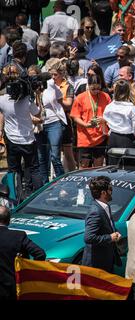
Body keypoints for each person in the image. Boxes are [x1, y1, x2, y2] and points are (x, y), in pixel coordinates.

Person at [0, 64, 43, 196]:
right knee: (34, 169)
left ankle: (15, 197)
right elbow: (37, 113)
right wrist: (37, 95)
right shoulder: (27, 100)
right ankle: (36, 196)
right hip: (28, 140)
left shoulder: (2, 100)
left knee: (14, 170)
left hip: (12, 141)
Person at [0, 206, 46, 300]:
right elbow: (40, 254)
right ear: (9, 221)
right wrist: (29, 270)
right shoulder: (18, 236)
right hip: (13, 287)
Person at [82, 176, 122, 273]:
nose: (112, 191)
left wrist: (115, 232)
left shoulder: (105, 206)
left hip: (106, 261)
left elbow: (108, 226)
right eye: (110, 189)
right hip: (96, 265)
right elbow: (88, 238)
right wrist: (110, 237)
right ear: (103, 192)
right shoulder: (95, 211)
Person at [70, 74, 110, 168]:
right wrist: (85, 125)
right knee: (84, 165)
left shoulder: (106, 96)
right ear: (88, 85)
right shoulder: (81, 97)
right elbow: (75, 116)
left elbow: (111, 115)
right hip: (85, 137)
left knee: (98, 165)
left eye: (98, 88)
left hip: (101, 136)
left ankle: (97, 183)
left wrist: (104, 120)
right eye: (93, 89)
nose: (96, 91)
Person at [103, 80, 135, 166]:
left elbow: (105, 122)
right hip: (127, 139)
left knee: (113, 166)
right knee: (129, 168)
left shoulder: (109, 106)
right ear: (128, 92)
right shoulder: (132, 108)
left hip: (113, 139)